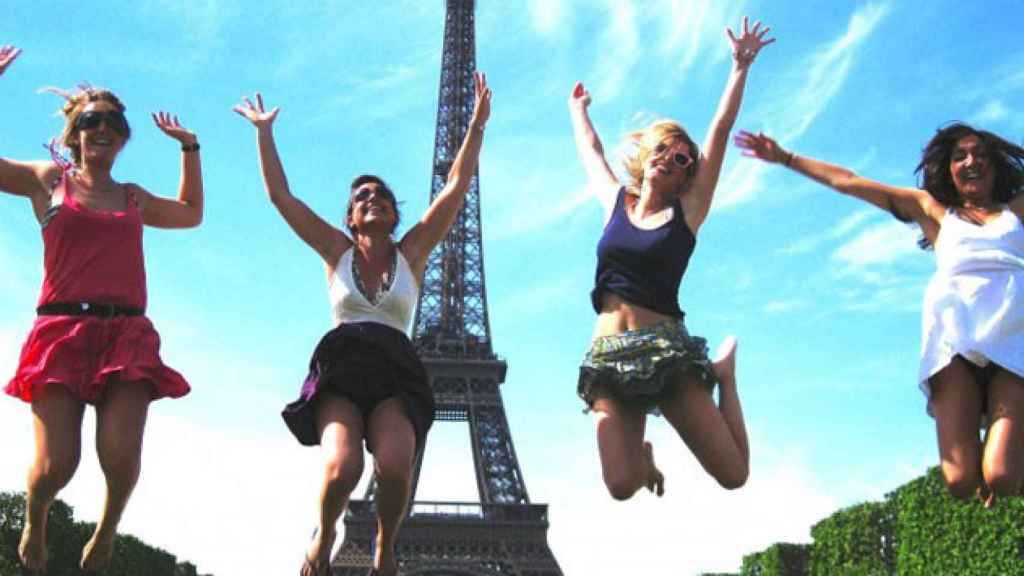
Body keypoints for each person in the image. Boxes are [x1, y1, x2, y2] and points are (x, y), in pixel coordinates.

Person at [234, 72, 491, 576]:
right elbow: (280, 197)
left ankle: (385, 543)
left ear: (395, 215)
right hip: (344, 369)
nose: (371, 198)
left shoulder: (413, 252)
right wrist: (264, 132)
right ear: (351, 217)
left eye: (381, 196)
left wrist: (476, 125)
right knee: (343, 467)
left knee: (395, 466)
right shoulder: (336, 251)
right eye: (361, 196)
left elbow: (457, 186)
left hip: (395, 370)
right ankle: (325, 534)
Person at [735, 124, 1024, 507]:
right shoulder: (932, 210)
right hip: (954, 344)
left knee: (1002, 477)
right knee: (960, 482)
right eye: (961, 156)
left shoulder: (1017, 210)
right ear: (948, 168)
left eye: (981, 156)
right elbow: (849, 181)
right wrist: (786, 158)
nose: (972, 162)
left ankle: (1008, 450)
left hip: (1012, 339)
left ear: (996, 166)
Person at [0, 45, 204, 571]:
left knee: (119, 457)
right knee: (55, 467)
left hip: (126, 333)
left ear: (124, 136)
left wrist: (190, 148)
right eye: (92, 120)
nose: (103, 128)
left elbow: (189, 214)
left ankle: (108, 529)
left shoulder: (133, 198)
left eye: (114, 121)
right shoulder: (48, 180)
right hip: (63, 329)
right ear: (75, 133)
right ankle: (37, 516)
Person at [568, 18, 772, 501]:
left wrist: (739, 67)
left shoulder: (687, 214)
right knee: (620, 485)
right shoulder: (614, 202)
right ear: (648, 156)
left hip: (664, 351)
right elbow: (590, 151)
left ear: (687, 178)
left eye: (683, 160)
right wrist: (577, 109)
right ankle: (644, 456)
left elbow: (720, 133)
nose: (670, 159)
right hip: (608, 355)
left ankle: (725, 377)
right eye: (663, 150)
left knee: (733, 473)